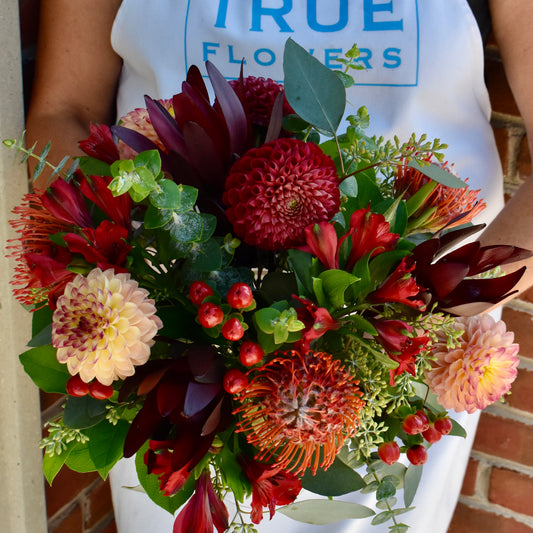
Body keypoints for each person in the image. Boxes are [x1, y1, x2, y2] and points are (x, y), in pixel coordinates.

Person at [25, 1, 533, 532]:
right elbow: (65, 109)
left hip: (415, 345)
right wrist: (122, 271)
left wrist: (422, 319)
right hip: (172, 342)